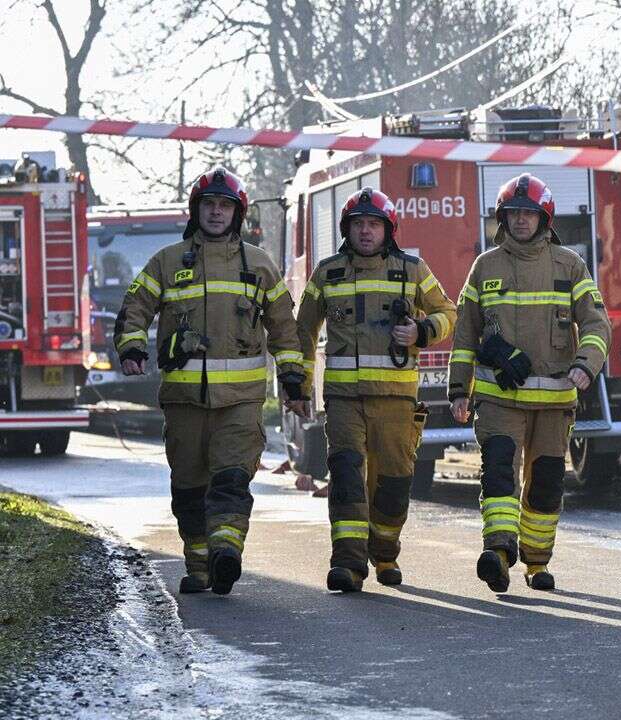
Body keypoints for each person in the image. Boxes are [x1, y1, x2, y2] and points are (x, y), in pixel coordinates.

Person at [115, 166, 306, 596]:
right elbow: (135, 309)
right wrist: (131, 348)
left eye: (225, 205)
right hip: (183, 401)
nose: (216, 212)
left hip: (240, 401)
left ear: (237, 213)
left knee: (231, 480)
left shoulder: (258, 264)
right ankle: (199, 563)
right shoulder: (167, 261)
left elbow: (284, 328)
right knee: (188, 487)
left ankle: (226, 553)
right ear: (196, 210)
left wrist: (294, 379)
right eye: (209, 204)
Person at [447, 173, 611, 593]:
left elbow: (596, 324)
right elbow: (465, 335)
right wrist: (457, 390)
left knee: (547, 482)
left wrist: (585, 365)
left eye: (529, 213)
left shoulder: (570, 265)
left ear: (544, 217)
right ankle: (498, 553)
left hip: (555, 401)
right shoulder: (485, 266)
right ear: (503, 218)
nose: (521, 221)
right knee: (499, 472)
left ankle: (536, 563)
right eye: (513, 213)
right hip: (499, 397)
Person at [295, 188, 457, 593]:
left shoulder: (413, 270)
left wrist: (420, 331)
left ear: (388, 230)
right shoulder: (327, 273)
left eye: (374, 224)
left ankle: (384, 551)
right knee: (347, 477)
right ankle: (347, 565)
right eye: (358, 224)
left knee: (395, 481)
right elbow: (303, 331)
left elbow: (448, 312)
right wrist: (299, 386)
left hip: (396, 399)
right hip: (344, 400)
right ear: (347, 229)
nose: (366, 231)